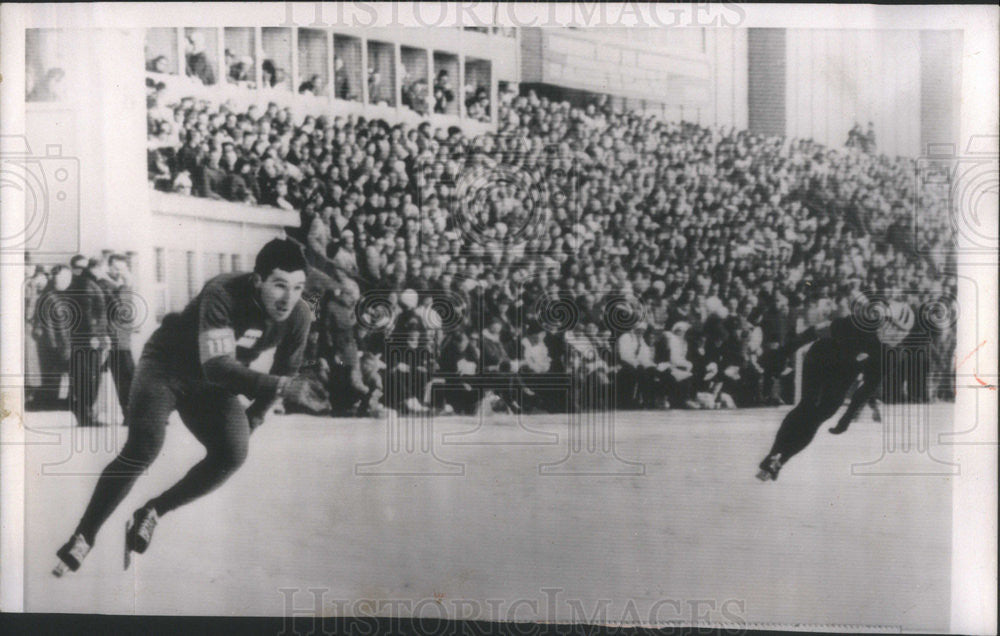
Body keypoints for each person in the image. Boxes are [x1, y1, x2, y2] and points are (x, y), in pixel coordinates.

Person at [54, 239, 326, 575]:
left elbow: (286, 370)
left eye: (298, 288)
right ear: (258, 281)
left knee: (233, 453)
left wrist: (256, 415)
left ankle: (152, 512)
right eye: (280, 285)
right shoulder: (223, 291)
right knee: (145, 446)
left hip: (211, 387)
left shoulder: (299, 314)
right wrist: (280, 387)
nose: (288, 298)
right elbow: (219, 365)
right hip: (167, 368)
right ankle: (84, 534)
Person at [756, 300, 913, 481]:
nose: (895, 335)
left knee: (822, 415)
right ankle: (775, 452)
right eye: (893, 327)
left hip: (846, 370)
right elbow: (814, 332)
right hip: (822, 356)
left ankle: (780, 459)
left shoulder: (890, 354)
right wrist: (784, 352)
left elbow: (867, 387)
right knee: (808, 405)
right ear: (882, 319)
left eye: (901, 332)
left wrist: (847, 417)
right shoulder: (857, 325)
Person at [67, 257, 111, 427]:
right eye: (103, 269)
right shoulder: (87, 285)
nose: (104, 273)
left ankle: (86, 413)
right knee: (89, 376)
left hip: (91, 338)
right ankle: (86, 414)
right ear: (96, 268)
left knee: (90, 375)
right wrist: (93, 336)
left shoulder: (87, 283)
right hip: (89, 340)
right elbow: (87, 314)